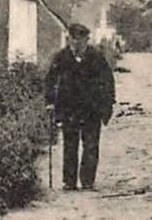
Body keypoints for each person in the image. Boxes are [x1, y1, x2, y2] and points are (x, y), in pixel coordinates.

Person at [44, 22, 115, 191]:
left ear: (87, 40)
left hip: (92, 109)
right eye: (73, 40)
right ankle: (69, 182)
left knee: (90, 145)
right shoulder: (61, 57)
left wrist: (107, 104)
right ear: (69, 39)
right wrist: (49, 102)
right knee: (70, 145)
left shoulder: (96, 56)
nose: (77, 44)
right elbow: (50, 80)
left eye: (81, 40)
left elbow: (108, 81)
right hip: (69, 109)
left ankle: (87, 181)